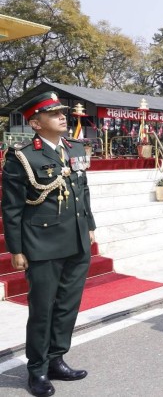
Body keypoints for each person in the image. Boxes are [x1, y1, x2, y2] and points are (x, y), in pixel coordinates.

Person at [2, 91, 96, 396]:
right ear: (36, 123)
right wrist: (16, 249)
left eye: (61, 112)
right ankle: (38, 370)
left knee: (68, 306)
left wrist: (90, 226)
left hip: (76, 240)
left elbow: (83, 189)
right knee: (43, 309)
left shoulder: (75, 148)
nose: (61, 116)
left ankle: (57, 359)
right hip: (42, 244)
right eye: (53, 113)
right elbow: (12, 207)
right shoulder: (23, 156)